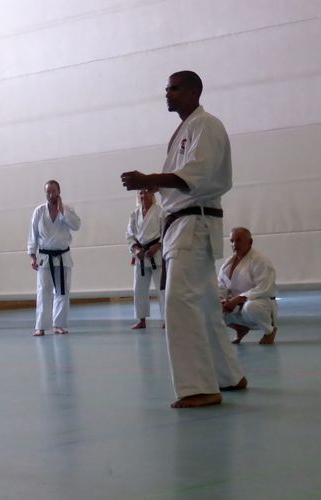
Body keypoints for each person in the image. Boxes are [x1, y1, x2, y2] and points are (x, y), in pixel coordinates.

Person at [120, 70, 246, 409]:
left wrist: (150, 178)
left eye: (174, 88)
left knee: (178, 303)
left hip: (193, 223)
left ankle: (199, 387)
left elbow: (198, 175)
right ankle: (228, 375)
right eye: (167, 88)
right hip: (184, 223)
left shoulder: (206, 125)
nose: (168, 93)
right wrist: (154, 184)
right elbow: (183, 179)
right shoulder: (187, 130)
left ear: (193, 92)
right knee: (203, 305)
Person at [27, 180, 81, 336]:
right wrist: (32, 256)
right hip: (45, 257)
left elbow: (76, 226)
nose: (51, 194)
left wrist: (62, 211)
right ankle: (41, 326)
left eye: (53, 191)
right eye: (48, 192)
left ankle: (59, 324)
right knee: (43, 291)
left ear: (59, 192)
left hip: (63, 256)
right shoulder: (39, 211)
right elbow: (33, 234)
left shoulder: (67, 210)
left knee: (62, 291)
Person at [218, 227, 278, 345]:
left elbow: (265, 287)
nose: (234, 244)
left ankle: (269, 331)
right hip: (236, 306)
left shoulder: (260, 260)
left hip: (261, 303)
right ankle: (240, 329)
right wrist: (221, 300)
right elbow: (221, 287)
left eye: (238, 240)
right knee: (213, 307)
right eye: (232, 241)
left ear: (250, 242)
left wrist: (239, 298)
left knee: (250, 306)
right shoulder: (227, 264)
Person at [126, 189, 165, 329]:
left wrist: (158, 246)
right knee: (139, 289)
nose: (143, 195)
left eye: (146, 192)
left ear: (152, 194)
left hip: (156, 255)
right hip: (141, 255)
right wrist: (136, 249)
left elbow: (166, 232)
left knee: (162, 289)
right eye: (141, 193)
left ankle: (167, 319)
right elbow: (129, 235)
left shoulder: (160, 212)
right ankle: (141, 320)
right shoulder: (134, 214)